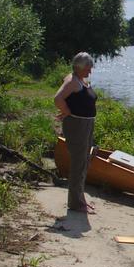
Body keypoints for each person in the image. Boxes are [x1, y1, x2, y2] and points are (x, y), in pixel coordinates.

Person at [55, 52, 97, 214]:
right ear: (79, 67)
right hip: (77, 125)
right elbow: (58, 98)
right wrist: (66, 111)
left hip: (86, 124)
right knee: (79, 163)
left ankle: (80, 199)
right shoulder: (72, 81)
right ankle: (75, 203)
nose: (90, 71)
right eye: (87, 68)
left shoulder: (80, 80)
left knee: (84, 161)